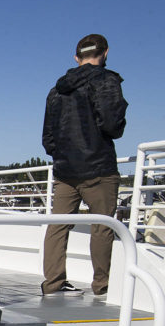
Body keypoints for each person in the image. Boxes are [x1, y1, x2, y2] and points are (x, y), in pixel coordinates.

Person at [40, 34, 128, 297]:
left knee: (57, 227)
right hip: (99, 168)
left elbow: (48, 138)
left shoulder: (57, 90)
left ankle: (53, 284)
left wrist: (63, 155)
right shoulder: (107, 80)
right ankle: (102, 286)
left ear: (76, 58)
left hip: (65, 171)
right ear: (106, 53)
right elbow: (112, 126)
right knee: (102, 227)